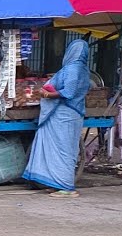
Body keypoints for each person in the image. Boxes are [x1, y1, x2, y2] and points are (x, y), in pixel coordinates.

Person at [22, 40, 90, 198]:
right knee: (61, 149)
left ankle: (67, 187)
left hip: (64, 115)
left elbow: (69, 92)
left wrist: (46, 94)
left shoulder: (74, 68)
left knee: (63, 150)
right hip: (67, 115)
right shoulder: (82, 69)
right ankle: (56, 183)